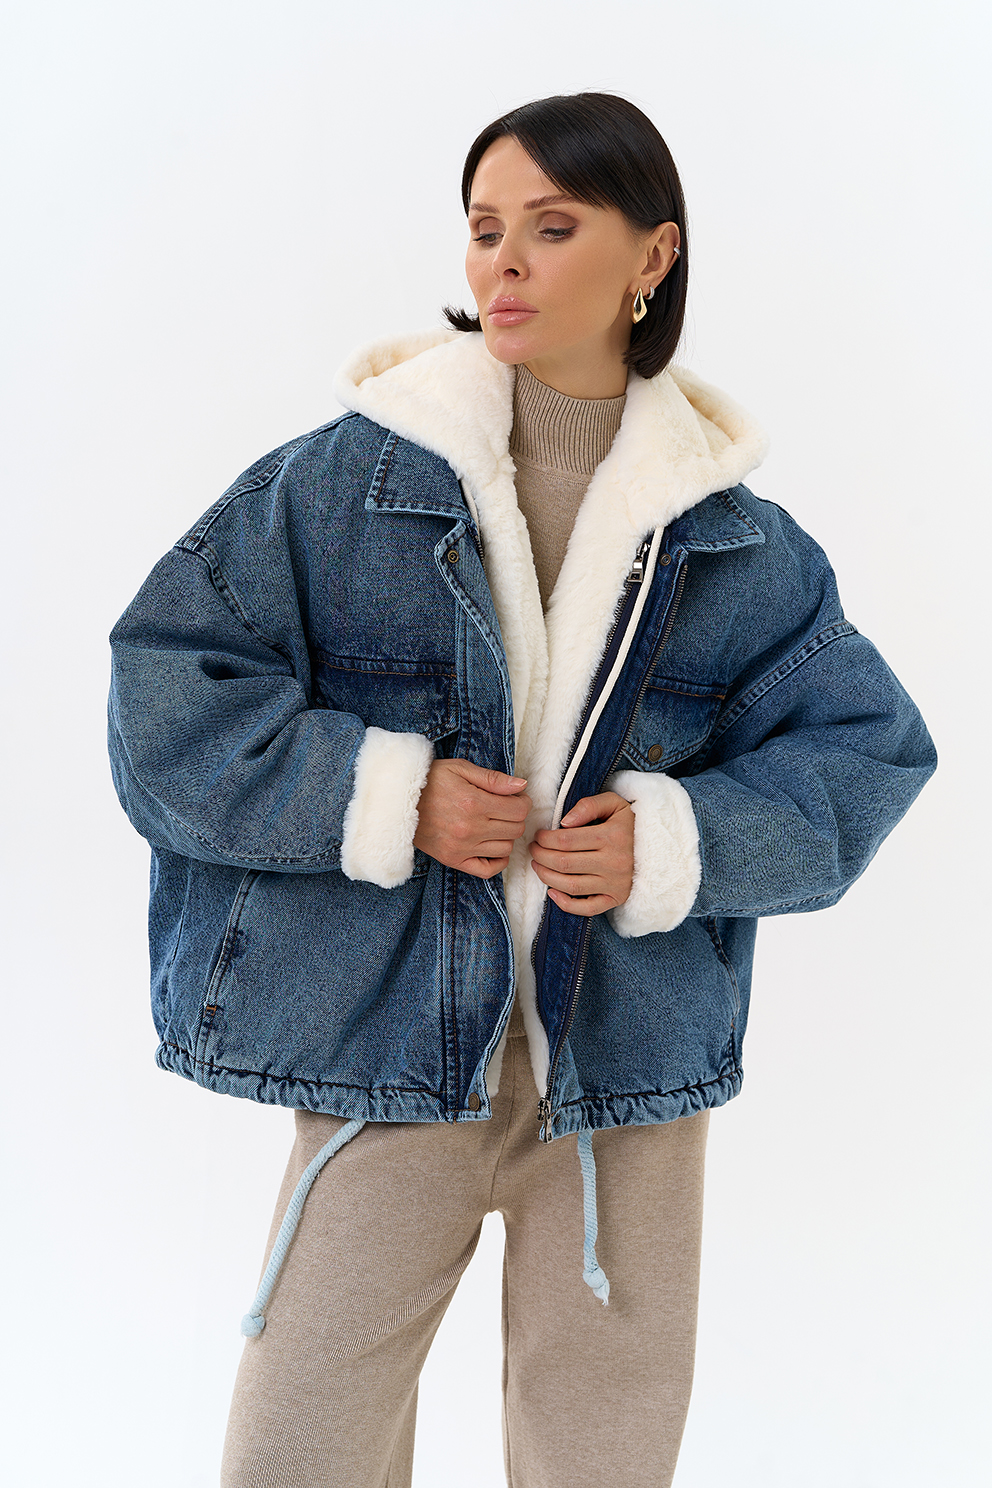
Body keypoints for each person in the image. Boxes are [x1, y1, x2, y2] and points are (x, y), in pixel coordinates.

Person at [107, 92, 936, 1488]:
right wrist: (387, 794)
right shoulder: (342, 486)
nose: (505, 261)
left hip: (625, 1076)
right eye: (486, 228)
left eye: (553, 228)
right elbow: (166, 691)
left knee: (603, 1454)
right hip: (386, 1045)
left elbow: (867, 751)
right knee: (298, 1443)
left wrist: (676, 841)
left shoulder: (738, 545)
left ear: (652, 256)